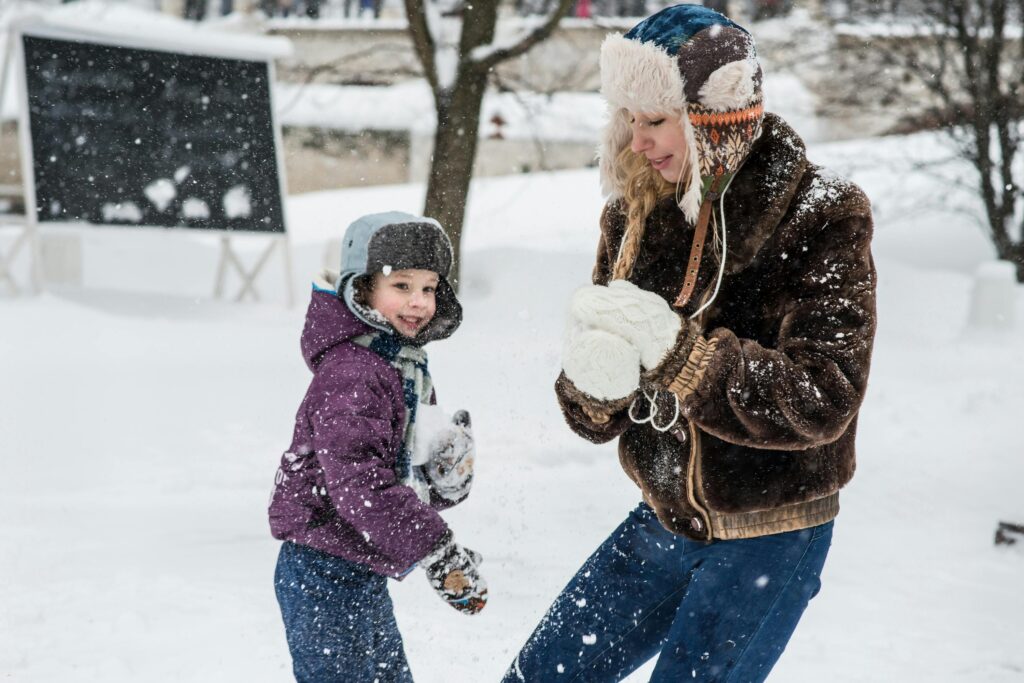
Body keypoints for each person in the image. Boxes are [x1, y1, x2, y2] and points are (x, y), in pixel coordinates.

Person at [503, 5, 876, 682]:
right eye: (628, 121)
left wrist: (687, 360)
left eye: (653, 121)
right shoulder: (635, 209)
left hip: (772, 533)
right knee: (540, 675)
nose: (636, 143)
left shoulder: (821, 214)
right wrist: (593, 385)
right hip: (663, 515)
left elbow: (825, 394)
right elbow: (600, 405)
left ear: (715, 116)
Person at [268, 212, 488, 683]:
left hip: (359, 570)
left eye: (429, 288)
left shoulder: (401, 365)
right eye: (402, 286)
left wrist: (444, 479)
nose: (419, 302)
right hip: (321, 573)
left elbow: (396, 476)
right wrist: (437, 548)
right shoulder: (354, 374)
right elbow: (359, 486)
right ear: (362, 289)